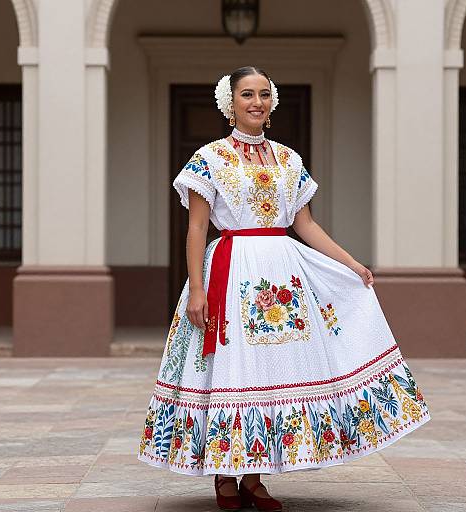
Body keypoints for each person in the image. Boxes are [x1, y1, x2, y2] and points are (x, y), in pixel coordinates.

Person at [138, 66, 431, 512]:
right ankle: (224, 476)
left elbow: (305, 224)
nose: (256, 102)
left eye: (263, 94)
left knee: (269, 373)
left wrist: (351, 264)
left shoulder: (289, 160)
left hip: (283, 278)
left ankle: (254, 479)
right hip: (230, 274)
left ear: (272, 103)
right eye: (246, 94)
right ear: (229, 102)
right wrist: (197, 288)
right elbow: (196, 228)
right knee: (231, 371)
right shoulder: (209, 159)